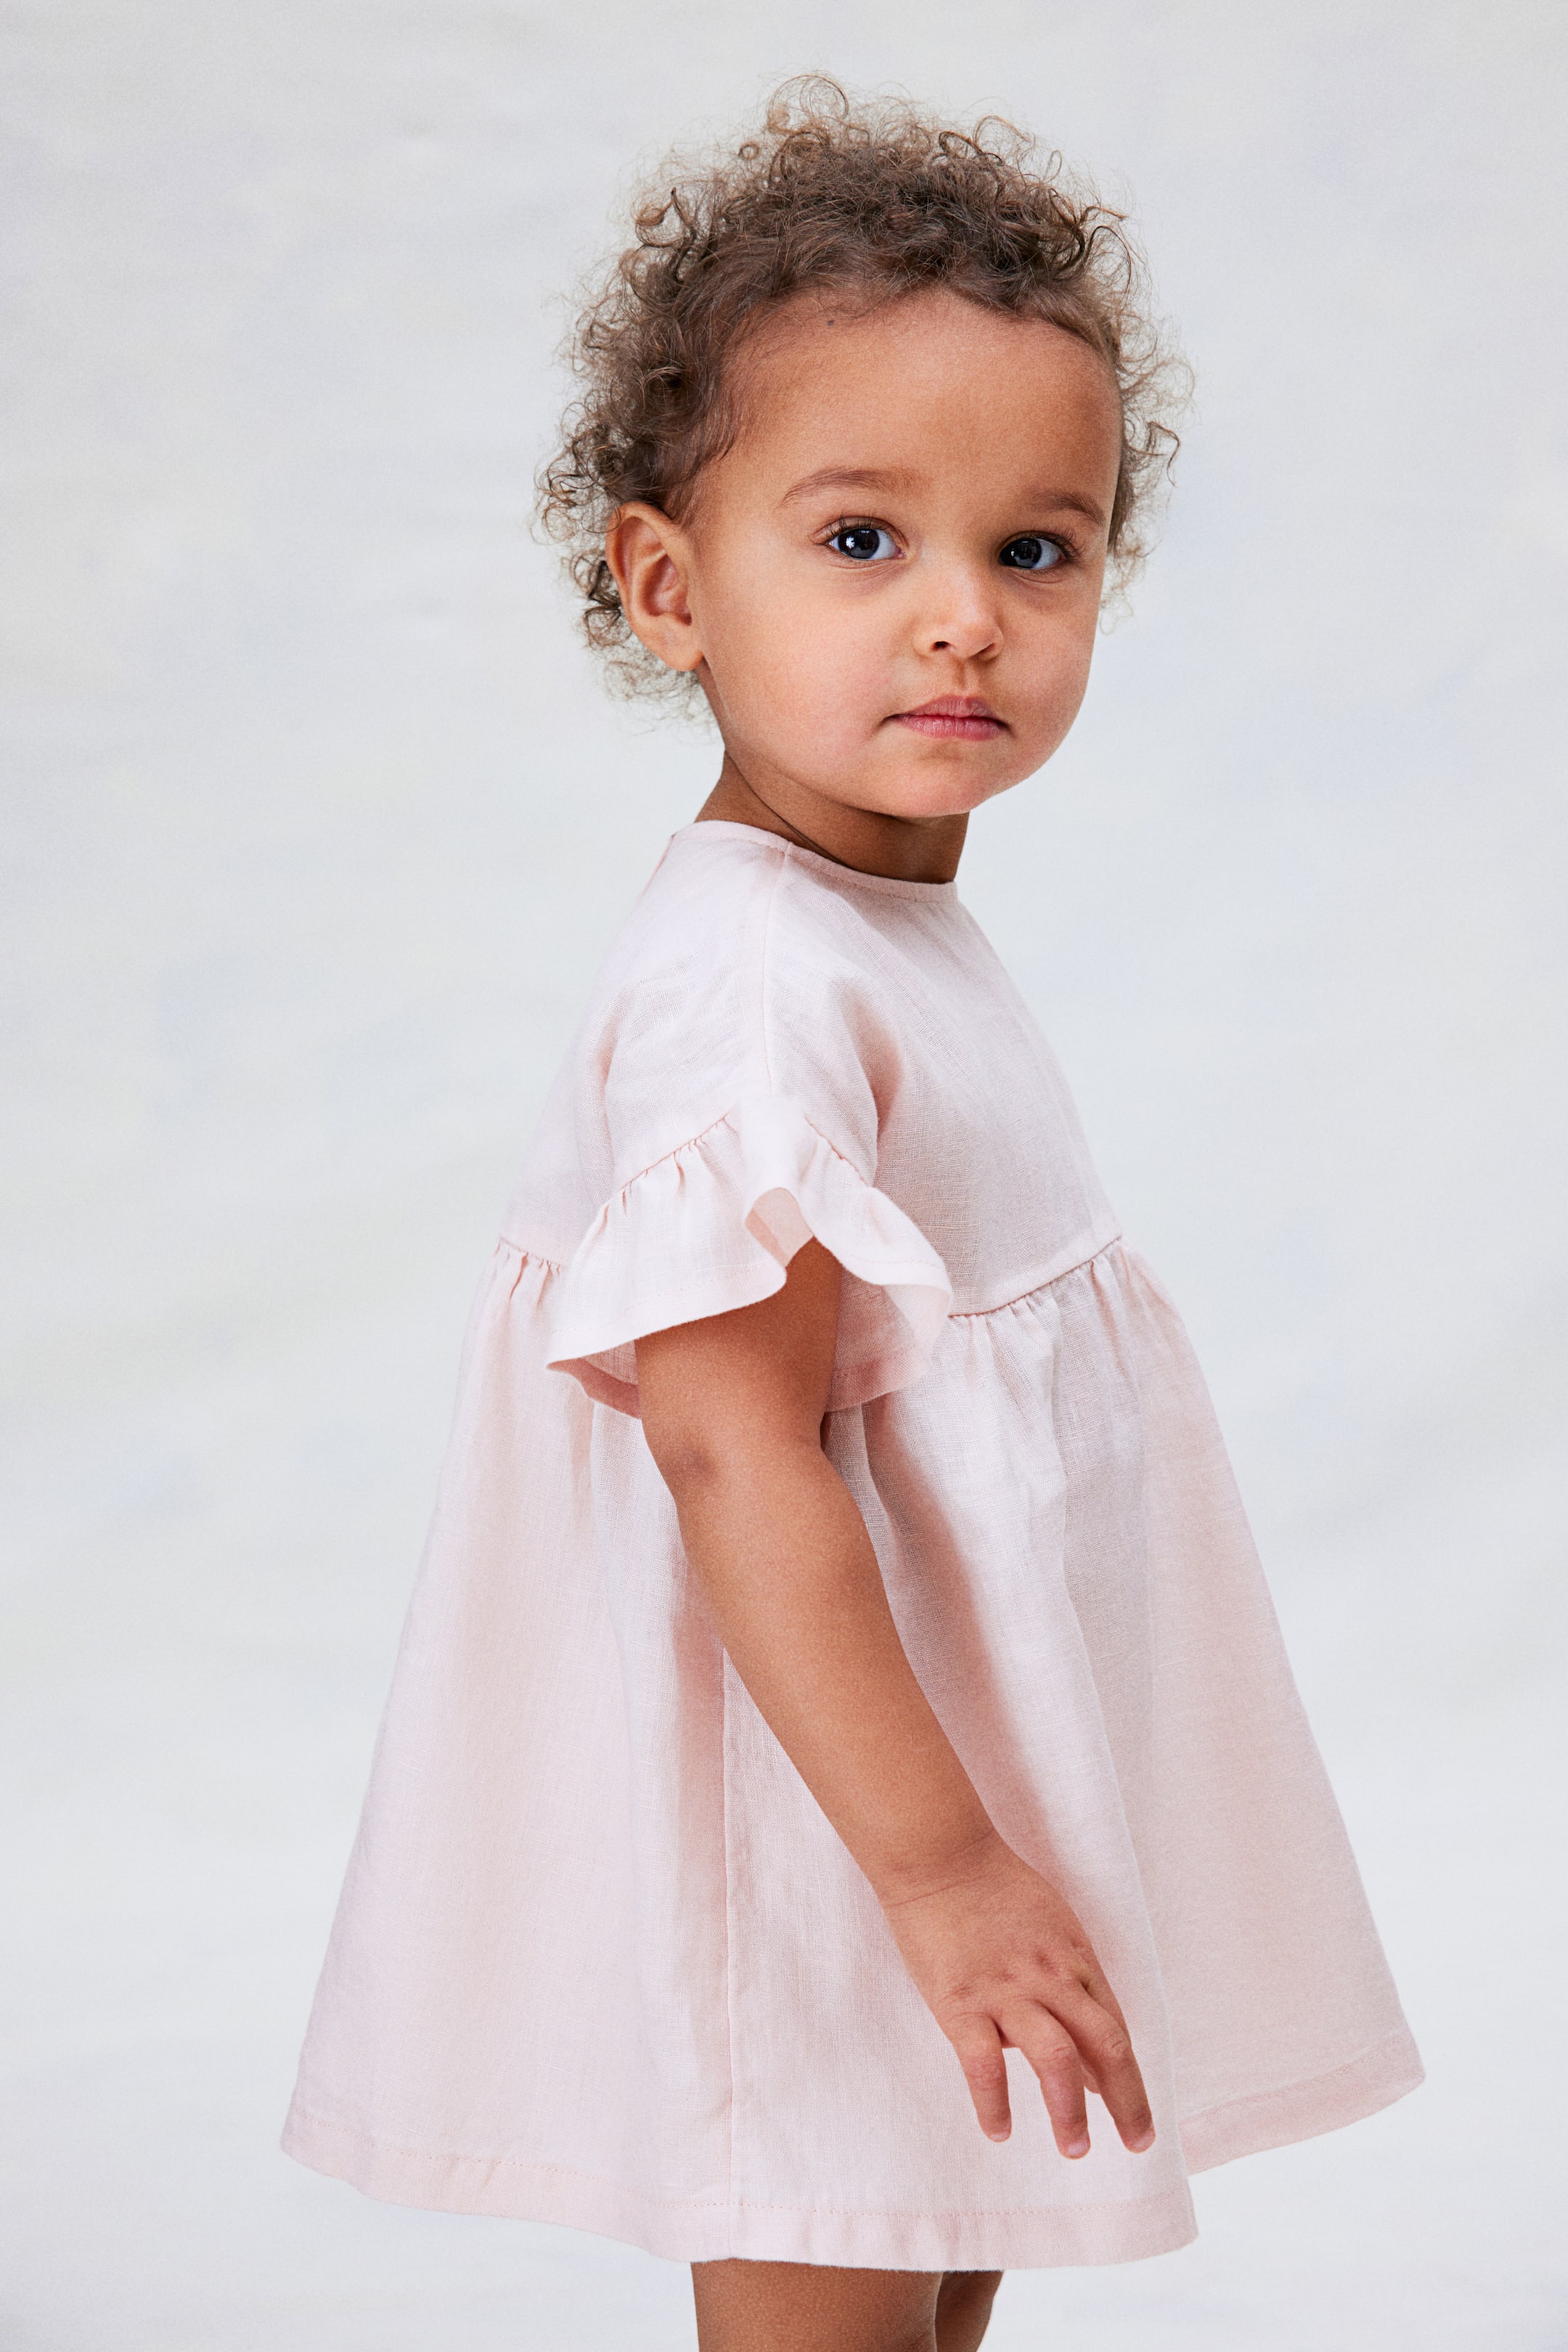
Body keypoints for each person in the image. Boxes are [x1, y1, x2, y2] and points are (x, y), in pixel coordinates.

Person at [282, 78, 1424, 2352]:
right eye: (863, 540)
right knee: (830, 2277)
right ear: (670, 588)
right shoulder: (754, 991)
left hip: (941, 1774)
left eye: (1038, 550)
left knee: (943, 2269)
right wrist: (942, 1867)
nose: (962, 622)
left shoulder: (877, 932)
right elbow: (732, 1448)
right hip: (831, 1821)